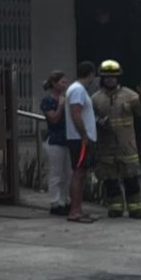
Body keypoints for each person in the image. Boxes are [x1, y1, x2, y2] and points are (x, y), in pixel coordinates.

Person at [92, 60, 141, 219]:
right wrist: (98, 121)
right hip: (106, 146)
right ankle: (115, 208)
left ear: (118, 78)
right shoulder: (96, 99)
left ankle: (136, 209)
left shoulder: (130, 95)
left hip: (127, 146)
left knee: (131, 179)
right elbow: (90, 118)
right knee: (110, 181)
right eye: (107, 77)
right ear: (102, 78)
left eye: (113, 77)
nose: (110, 80)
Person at [64, 61, 98, 224]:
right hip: (79, 139)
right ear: (91, 73)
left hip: (81, 138)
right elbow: (76, 113)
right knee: (78, 174)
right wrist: (84, 135)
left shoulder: (77, 89)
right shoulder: (77, 90)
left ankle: (78, 209)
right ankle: (74, 211)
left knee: (82, 173)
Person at [40, 70, 71, 216]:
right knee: (56, 173)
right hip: (55, 140)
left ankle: (64, 200)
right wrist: (60, 105)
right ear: (54, 83)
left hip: (67, 139)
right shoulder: (48, 101)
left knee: (68, 173)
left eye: (66, 82)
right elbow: (53, 119)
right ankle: (55, 202)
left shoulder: (67, 98)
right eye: (62, 82)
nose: (65, 85)